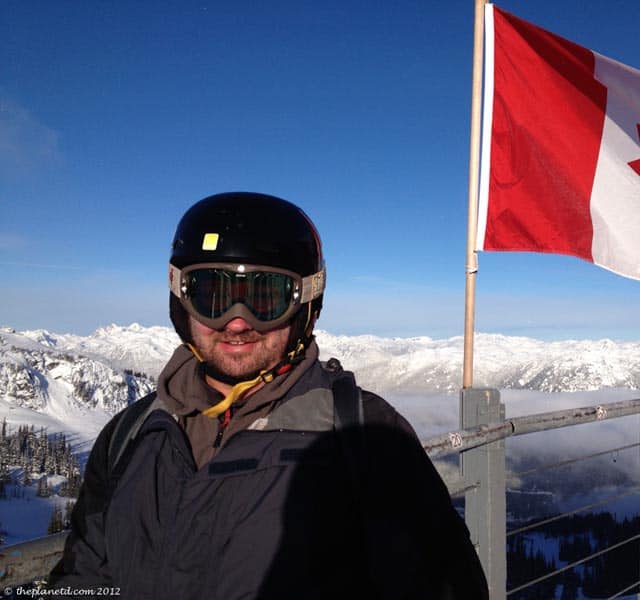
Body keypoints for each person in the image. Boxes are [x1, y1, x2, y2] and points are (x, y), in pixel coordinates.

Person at [49, 192, 489, 599]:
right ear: (180, 300)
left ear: (305, 305)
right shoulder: (131, 434)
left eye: (265, 297)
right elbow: (87, 575)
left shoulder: (364, 436)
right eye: (211, 294)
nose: (236, 322)